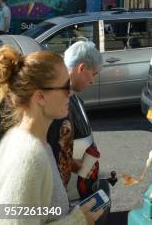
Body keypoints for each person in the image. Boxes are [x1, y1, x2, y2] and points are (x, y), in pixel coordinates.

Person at [0, 45, 103, 225]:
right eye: (64, 86)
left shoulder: (37, 145)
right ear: (40, 97)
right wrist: (77, 221)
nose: (70, 92)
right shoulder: (28, 157)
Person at [48, 41, 104, 198]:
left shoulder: (63, 95)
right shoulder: (56, 101)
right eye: (93, 74)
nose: (92, 81)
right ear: (82, 67)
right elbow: (42, 147)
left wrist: (72, 164)